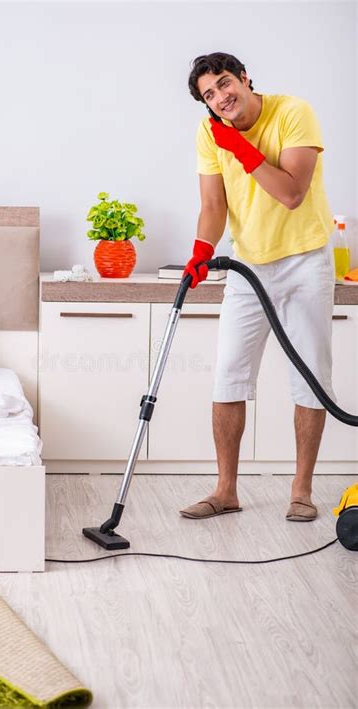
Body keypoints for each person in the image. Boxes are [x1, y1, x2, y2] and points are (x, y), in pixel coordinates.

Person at [179, 52, 335, 522]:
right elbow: (212, 204)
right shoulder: (210, 133)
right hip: (249, 265)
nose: (221, 97)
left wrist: (243, 149)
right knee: (228, 374)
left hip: (305, 259)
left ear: (244, 78)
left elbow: (291, 193)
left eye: (225, 84)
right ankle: (226, 490)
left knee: (309, 376)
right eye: (209, 94)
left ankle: (301, 491)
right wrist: (201, 250)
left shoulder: (292, 112)